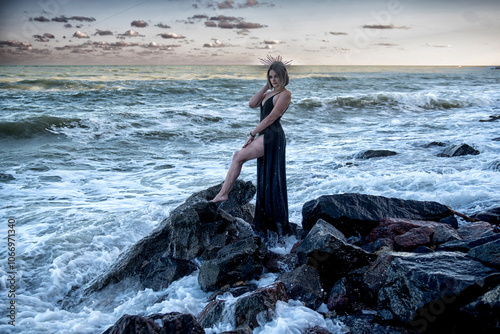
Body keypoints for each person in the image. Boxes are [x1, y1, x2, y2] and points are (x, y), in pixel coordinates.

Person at [210, 56, 292, 237]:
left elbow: (271, 117)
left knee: (238, 156)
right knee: (240, 158)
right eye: (270, 76)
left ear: (283, 76)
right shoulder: (269, 92)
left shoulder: (285, 94)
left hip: (272, 136)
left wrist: (252, 133)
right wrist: (266, 86)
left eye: (276, 76)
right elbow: (252, 104)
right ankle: (225, 194)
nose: (274, 80)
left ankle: (224, 193)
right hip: (266, 135)